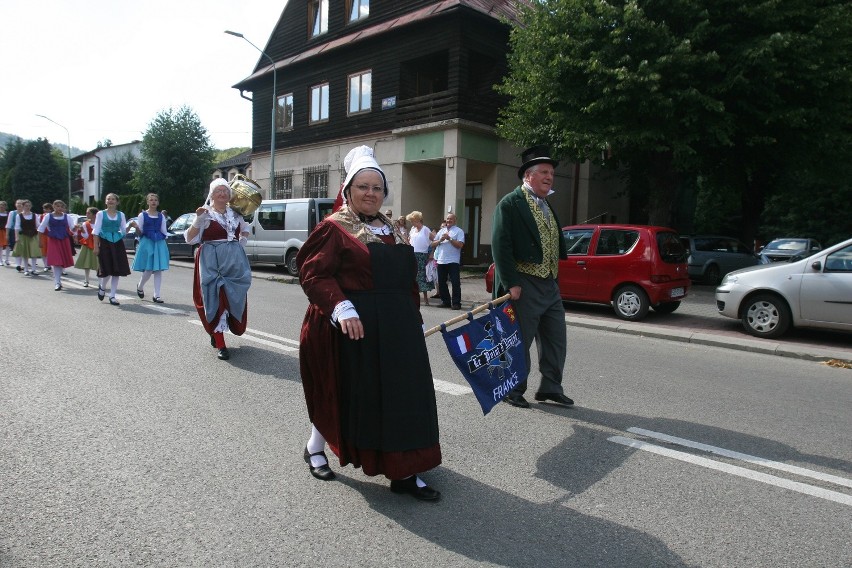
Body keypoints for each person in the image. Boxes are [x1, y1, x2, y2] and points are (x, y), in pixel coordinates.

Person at [296, 145, 441, 501]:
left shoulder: (394, 228)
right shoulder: (334, 228)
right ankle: (315, 446)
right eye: (363, 186)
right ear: (348, 190)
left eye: (377, 187)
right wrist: (341, 307)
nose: (371, 193)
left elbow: (405, 282)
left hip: (397, 329)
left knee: (402, 397)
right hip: (351, 327)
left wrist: (415, 318)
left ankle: (403, 470)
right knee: (345, 393)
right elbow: (312, 274)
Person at [492, 145, 572, 408]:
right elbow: (500, 245)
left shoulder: (546, 204)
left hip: (549, 283)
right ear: (528, 176)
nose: (550, 177)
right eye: (544, 172)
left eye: (551, 173)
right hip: (524, 283)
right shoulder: (511, 203)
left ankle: (550, 387)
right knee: (520, 339)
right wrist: (511, 282)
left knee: (555, 338)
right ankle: (512, 389)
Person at [185, 178, 252, 361]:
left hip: (234, 261)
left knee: (233, 298)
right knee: (216, 298)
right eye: (218, 191)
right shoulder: (205, 214)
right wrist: (198, 220)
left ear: (229, 195)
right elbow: (190, 239)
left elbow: (245, 229)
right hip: (211, 261)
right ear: (212, 194)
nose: (222, 194)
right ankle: (221, 344)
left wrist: (242, 240)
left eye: (225, 191)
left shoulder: (235, 213)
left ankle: (217, 333)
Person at [92, 193, 132, 305]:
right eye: (108, 199)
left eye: (113, 199)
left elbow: (123, 231)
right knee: (107, 270)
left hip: (117, 243)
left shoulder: (121, 215)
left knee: (116, 270)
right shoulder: (101, 214)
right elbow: (96, 231)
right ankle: (102, 287)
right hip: (105, 242)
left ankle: (113, 296)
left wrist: (131, 226)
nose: (110, 201)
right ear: (105, 202)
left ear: (117, 202)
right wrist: (96, 246)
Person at [130, 193, 169, 303]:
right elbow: (140, 231)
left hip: (159, 242)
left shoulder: (161, 216)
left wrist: (164, 241)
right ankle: (140, 286)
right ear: (147, 202)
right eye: (151, 200)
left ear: (158, 202)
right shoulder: (142, 215)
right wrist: (136, 227)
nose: (153, 202)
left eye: (155, 200)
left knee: (158, 269)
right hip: (147, 242)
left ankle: (157, 295)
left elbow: (164, 231)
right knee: (148, 269)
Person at [37, 200, 76, 291]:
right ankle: (57, 282)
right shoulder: (48, 216)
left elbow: (72, 228)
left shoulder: (67, 217)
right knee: (56, 261)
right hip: (53, 240)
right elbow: (41, 229)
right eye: (58, 206)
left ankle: (58, 280)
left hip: (64, 240)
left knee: (62, 261)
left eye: (62, 207)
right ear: (54, 207)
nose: (60, 208)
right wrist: (40, 241)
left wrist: (76, 227)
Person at [431, 213, 465, 309]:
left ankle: (456, 303)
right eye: (447, 219)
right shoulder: (441, 231)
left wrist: (449, 238)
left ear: (455, 220)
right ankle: (445, 301)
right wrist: (440, 240)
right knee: (441, 282)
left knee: (455, 282)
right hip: (441, 260)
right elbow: (432, 244)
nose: (448, 221)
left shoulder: (459, 231)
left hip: (453, 261)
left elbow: (460, 245)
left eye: (451, 219)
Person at [405, 210, 435, 306]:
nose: (411, 223)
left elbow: (434, 241)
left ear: (417, 220)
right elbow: (409, 241)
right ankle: (414, 297)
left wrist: (432, 253)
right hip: (413, 254)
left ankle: (425, 298)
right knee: (413, 275)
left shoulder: (425, 229)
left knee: (422, 276)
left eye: (412, 221)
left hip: (422, 255)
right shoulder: (413, 230)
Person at [12, 200, 41, 276]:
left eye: (29, 206)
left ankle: (34, 269)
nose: (27, 207)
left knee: (34, 252)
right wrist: (16, 237)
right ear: (23, 206)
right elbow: (17, 227)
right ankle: (26, 269)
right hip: (23, 236)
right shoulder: (19, 216)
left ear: (31, 206)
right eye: (26, 206)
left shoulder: (35, 215)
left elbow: (38, 225)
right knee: (25, 253)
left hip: (33, 235)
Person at [74, 207, 99, 287]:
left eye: (88, 213)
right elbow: (85, 236)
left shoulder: (99, 223)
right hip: (88, 245)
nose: (86, 214)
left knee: (98, 264)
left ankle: (100, 281)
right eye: (86, 213)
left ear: (95, 215)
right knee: (86, 264)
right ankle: (86, 280)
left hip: (97, 245)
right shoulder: (85, 224)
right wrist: (82, 230)